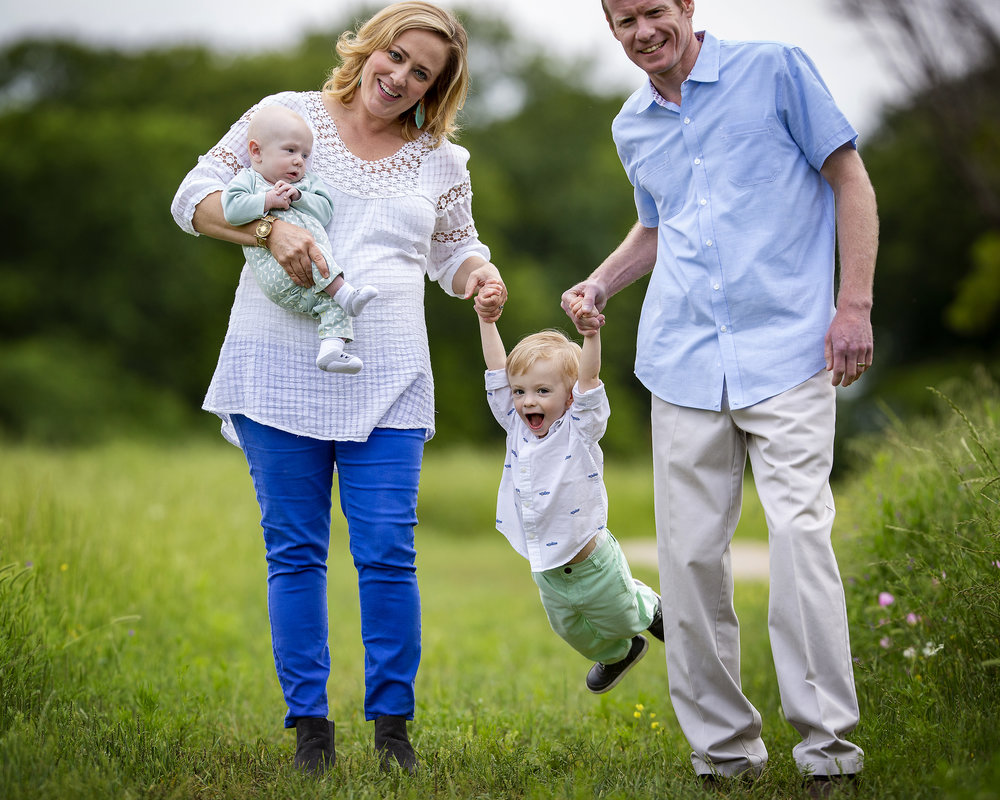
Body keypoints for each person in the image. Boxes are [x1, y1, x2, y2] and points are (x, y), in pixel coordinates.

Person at [171, 1, 506, 776]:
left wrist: (480, 276)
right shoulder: (286, 117)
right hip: (278, 367)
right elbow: (192, 197)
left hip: (388, 373)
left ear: (437, 88)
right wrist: (267, 229)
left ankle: (394, 734)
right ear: (371, 46)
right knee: (295, 554)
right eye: (396, 56)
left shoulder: (438, 161)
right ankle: (311, 735)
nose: (399, 77)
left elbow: (453, 253)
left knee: (388, 552)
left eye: (423, 72)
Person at [562, 0, 878, 791]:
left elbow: (850, 179)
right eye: (623, 20)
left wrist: (854, 306)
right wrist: (600, 283)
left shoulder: (774, 69)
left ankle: (828, 749)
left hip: (791, 350)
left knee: (801, 538)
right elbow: (658, 226)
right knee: (691, 558)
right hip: (684, 363)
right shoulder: (631, 123)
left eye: (653, 11)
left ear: (687, 7)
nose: (642, 31)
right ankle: (723, 753)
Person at [475, 283, 664, 694]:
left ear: (568, 396)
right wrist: (487, 321)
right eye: (522, 392)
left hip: (591, 559)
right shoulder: (516, 428)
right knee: (571, 631)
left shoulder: (580, 428)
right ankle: (620, 654)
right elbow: (496, 374)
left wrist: (590, 335)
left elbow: (590, 378)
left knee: (622, 616)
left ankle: (649, 608)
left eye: (543, 391)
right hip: (546, 568)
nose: (528, 402)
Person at [221, 105, 378, 374]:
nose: (299, 161)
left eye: (305, 155)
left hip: (312, 277)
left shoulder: (306, 184)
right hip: (279, 273)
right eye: (290, 151)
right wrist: (268, 200)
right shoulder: (249, 181)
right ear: (256, 152)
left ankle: (331, 350)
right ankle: (346, 293)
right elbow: (232, 211)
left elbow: (326, 211)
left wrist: (299, 197)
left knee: (330, 306)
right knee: (313, 255)